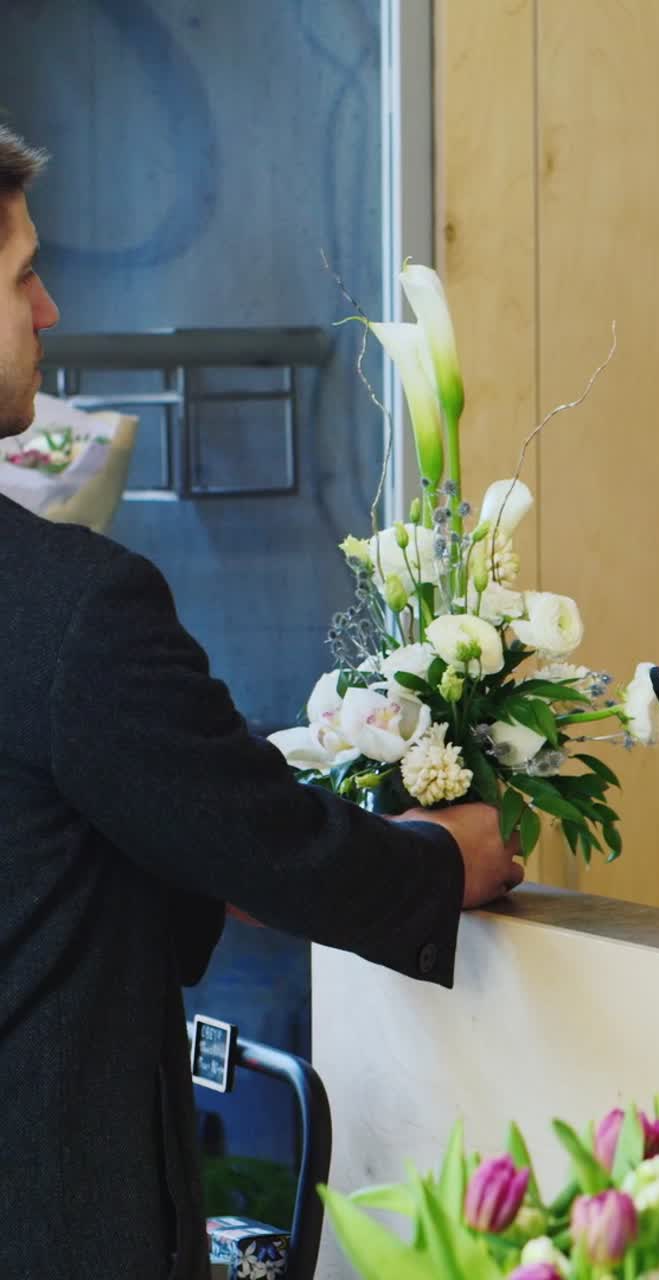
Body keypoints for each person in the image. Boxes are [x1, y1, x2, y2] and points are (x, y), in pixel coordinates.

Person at [0, 127, 523, 1278]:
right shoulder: (70, 603)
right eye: (24, 272)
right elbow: (265, 844)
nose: (48, 309)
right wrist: (442, 859)